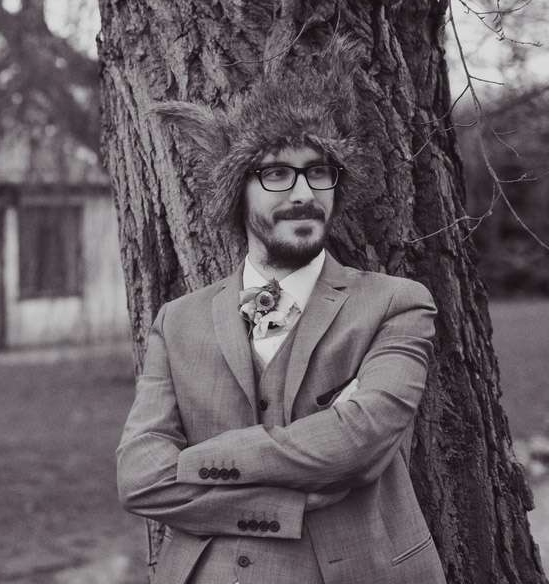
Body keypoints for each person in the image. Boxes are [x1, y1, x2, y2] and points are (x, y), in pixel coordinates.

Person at [116, 41, 446, 583]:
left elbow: (358, 443)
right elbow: (140, 479)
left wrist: (197, 461)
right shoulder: (177, 321)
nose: (302, 193)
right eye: (276, 174)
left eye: (319, 172)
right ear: (237, 191)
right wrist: (286, 502)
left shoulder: (396, 304)